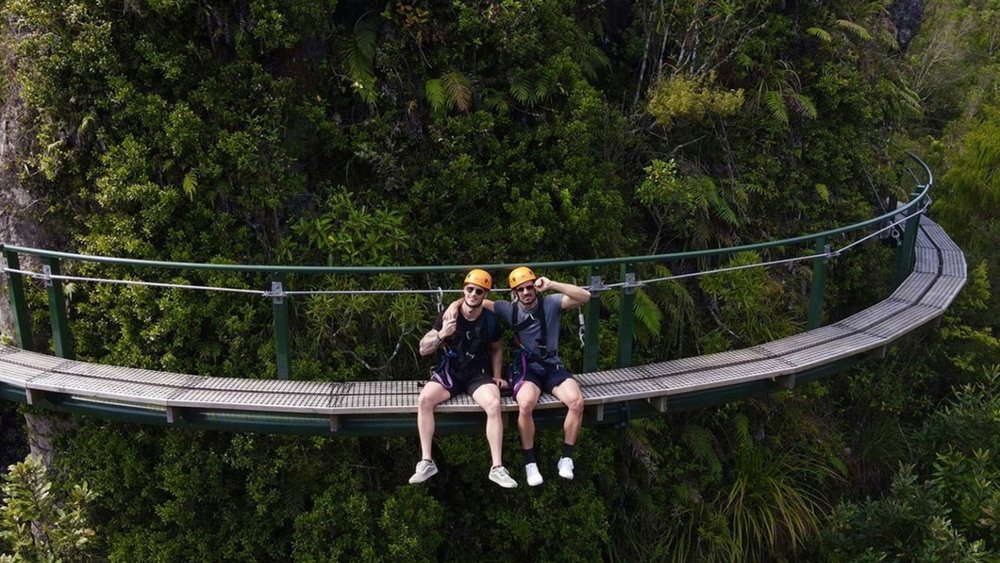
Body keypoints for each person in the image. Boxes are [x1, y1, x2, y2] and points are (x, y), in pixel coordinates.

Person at [445, 266, 590, 486]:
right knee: (526, 403)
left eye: (529, 287)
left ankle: (566, 457)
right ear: (514, 293)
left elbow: (585, 296)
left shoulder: (551, 303)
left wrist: (551, 284)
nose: (526, 292)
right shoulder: (508, 309)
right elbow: (475, 300)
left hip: (552, 365)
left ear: (535, 287)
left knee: (576, 402)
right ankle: (530, 463)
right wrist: (453, 305)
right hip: (526, 367)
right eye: (520, 289)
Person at [408, 269, 518, 488]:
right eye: (470, 289)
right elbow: (423, 349)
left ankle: (497, 467)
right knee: (424, 400)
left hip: (478, 373)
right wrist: (442, 333)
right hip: (451, 371)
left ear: (485, 294)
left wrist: (497, 375)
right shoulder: (449, 316)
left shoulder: (490, 321)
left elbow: (497, 348)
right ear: (464, 290)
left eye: (479, 291)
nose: (473, 294)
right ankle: (426, 461)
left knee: (494, 404)